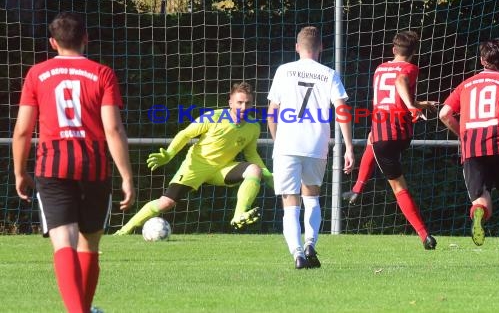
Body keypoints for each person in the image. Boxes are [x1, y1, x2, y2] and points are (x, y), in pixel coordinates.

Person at [12, 12, 135, 313]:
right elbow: (113, 129)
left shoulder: (37, 74)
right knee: (89, 244)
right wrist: (127, 176)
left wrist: (19, 172)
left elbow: (23, 130)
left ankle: (78, 311)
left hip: (52, 166)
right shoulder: (102, 73)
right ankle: (84, 308)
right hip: (93, 166)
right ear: (85, 39)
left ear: (53, 42)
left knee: (63, 242)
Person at [114, 82, 273, 235]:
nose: (243, 107)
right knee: (166, 203)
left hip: (222, 169)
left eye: (248, 103)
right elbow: (186, 134)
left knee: (254, 170)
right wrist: (169, 154)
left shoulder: (253, 126)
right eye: (239, 102)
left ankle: (238, 215)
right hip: (196, 166)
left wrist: (268, 175)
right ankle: (124, 230)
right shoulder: (213, 117)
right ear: (230, 102)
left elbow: (251, 154)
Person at [439, 38, 499, 266]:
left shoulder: (466, 84)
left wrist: (462, 133)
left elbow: (444, 113)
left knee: (481, 198)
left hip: (471, 143)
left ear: (482, 60)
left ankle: (479, 212)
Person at [267, 26, 354, 269]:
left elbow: (271, 113)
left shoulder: (283, 71)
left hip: (287, 144)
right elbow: (342, 110)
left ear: (297, 47)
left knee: (290, 201)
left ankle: (297, 254)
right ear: (321, 48)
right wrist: (348, 146)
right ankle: (310, 244)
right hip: (316, 144)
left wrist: (278, 141)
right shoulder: (329, 73)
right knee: (312, 196)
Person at [364, 30, 438, 250]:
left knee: (398, 186)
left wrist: (412, 105)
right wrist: (417, 106)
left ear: (393, 50)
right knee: (375, 144)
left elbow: (396, 85)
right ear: (413, 52)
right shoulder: (411, 68)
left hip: (383, 130)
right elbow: (401, 82)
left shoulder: (378, 70)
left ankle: (424, 235)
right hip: (402, 133)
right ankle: (357, 189)